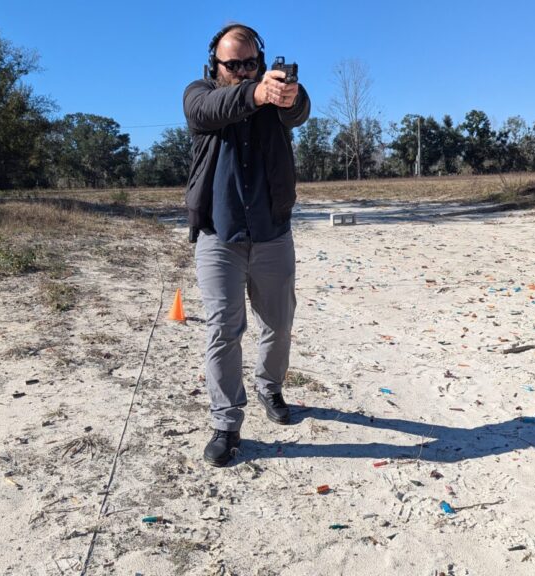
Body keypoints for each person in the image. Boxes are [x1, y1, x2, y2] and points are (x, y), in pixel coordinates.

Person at [182, 23, 310, 467]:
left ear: (261, 60)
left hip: (273, 233)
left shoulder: (274, 97)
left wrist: (291, 96)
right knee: (223, 329)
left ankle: (270, 387)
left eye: (249, 63)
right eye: (232, 64)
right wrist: (255, 94)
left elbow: (298, 111)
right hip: (220, 237)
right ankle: (226, 422)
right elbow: (209, 109)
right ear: (214, 65)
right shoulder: (200, 94)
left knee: (278, 323)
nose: (241, 71)